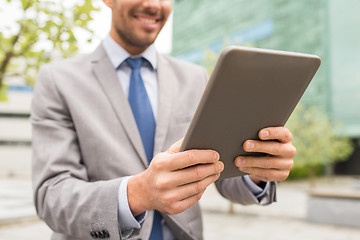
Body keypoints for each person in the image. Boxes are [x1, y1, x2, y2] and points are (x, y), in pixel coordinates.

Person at [31, 0, 295, 239]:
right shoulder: (58, 81)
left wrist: (258, 170)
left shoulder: (195, 78)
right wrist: (138, 193)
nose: (153, 5)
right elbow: (52, 197)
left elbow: (224, 177)